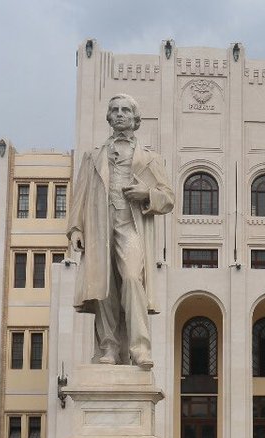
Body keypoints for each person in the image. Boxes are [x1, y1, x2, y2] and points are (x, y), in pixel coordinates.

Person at [67, 93, 175, 369]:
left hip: (131, 226)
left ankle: (140, 348)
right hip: (99, 226)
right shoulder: (93, 157)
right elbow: (79, 196)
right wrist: (76, 229)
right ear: (108, 117)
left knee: (131, 278)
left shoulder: (150, 158)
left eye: (125, 110)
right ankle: (109, 347)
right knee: (104, 288)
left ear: (136, 119)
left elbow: (168, 198)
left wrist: (146, 193)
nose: (119, 114)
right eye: (114, 110)